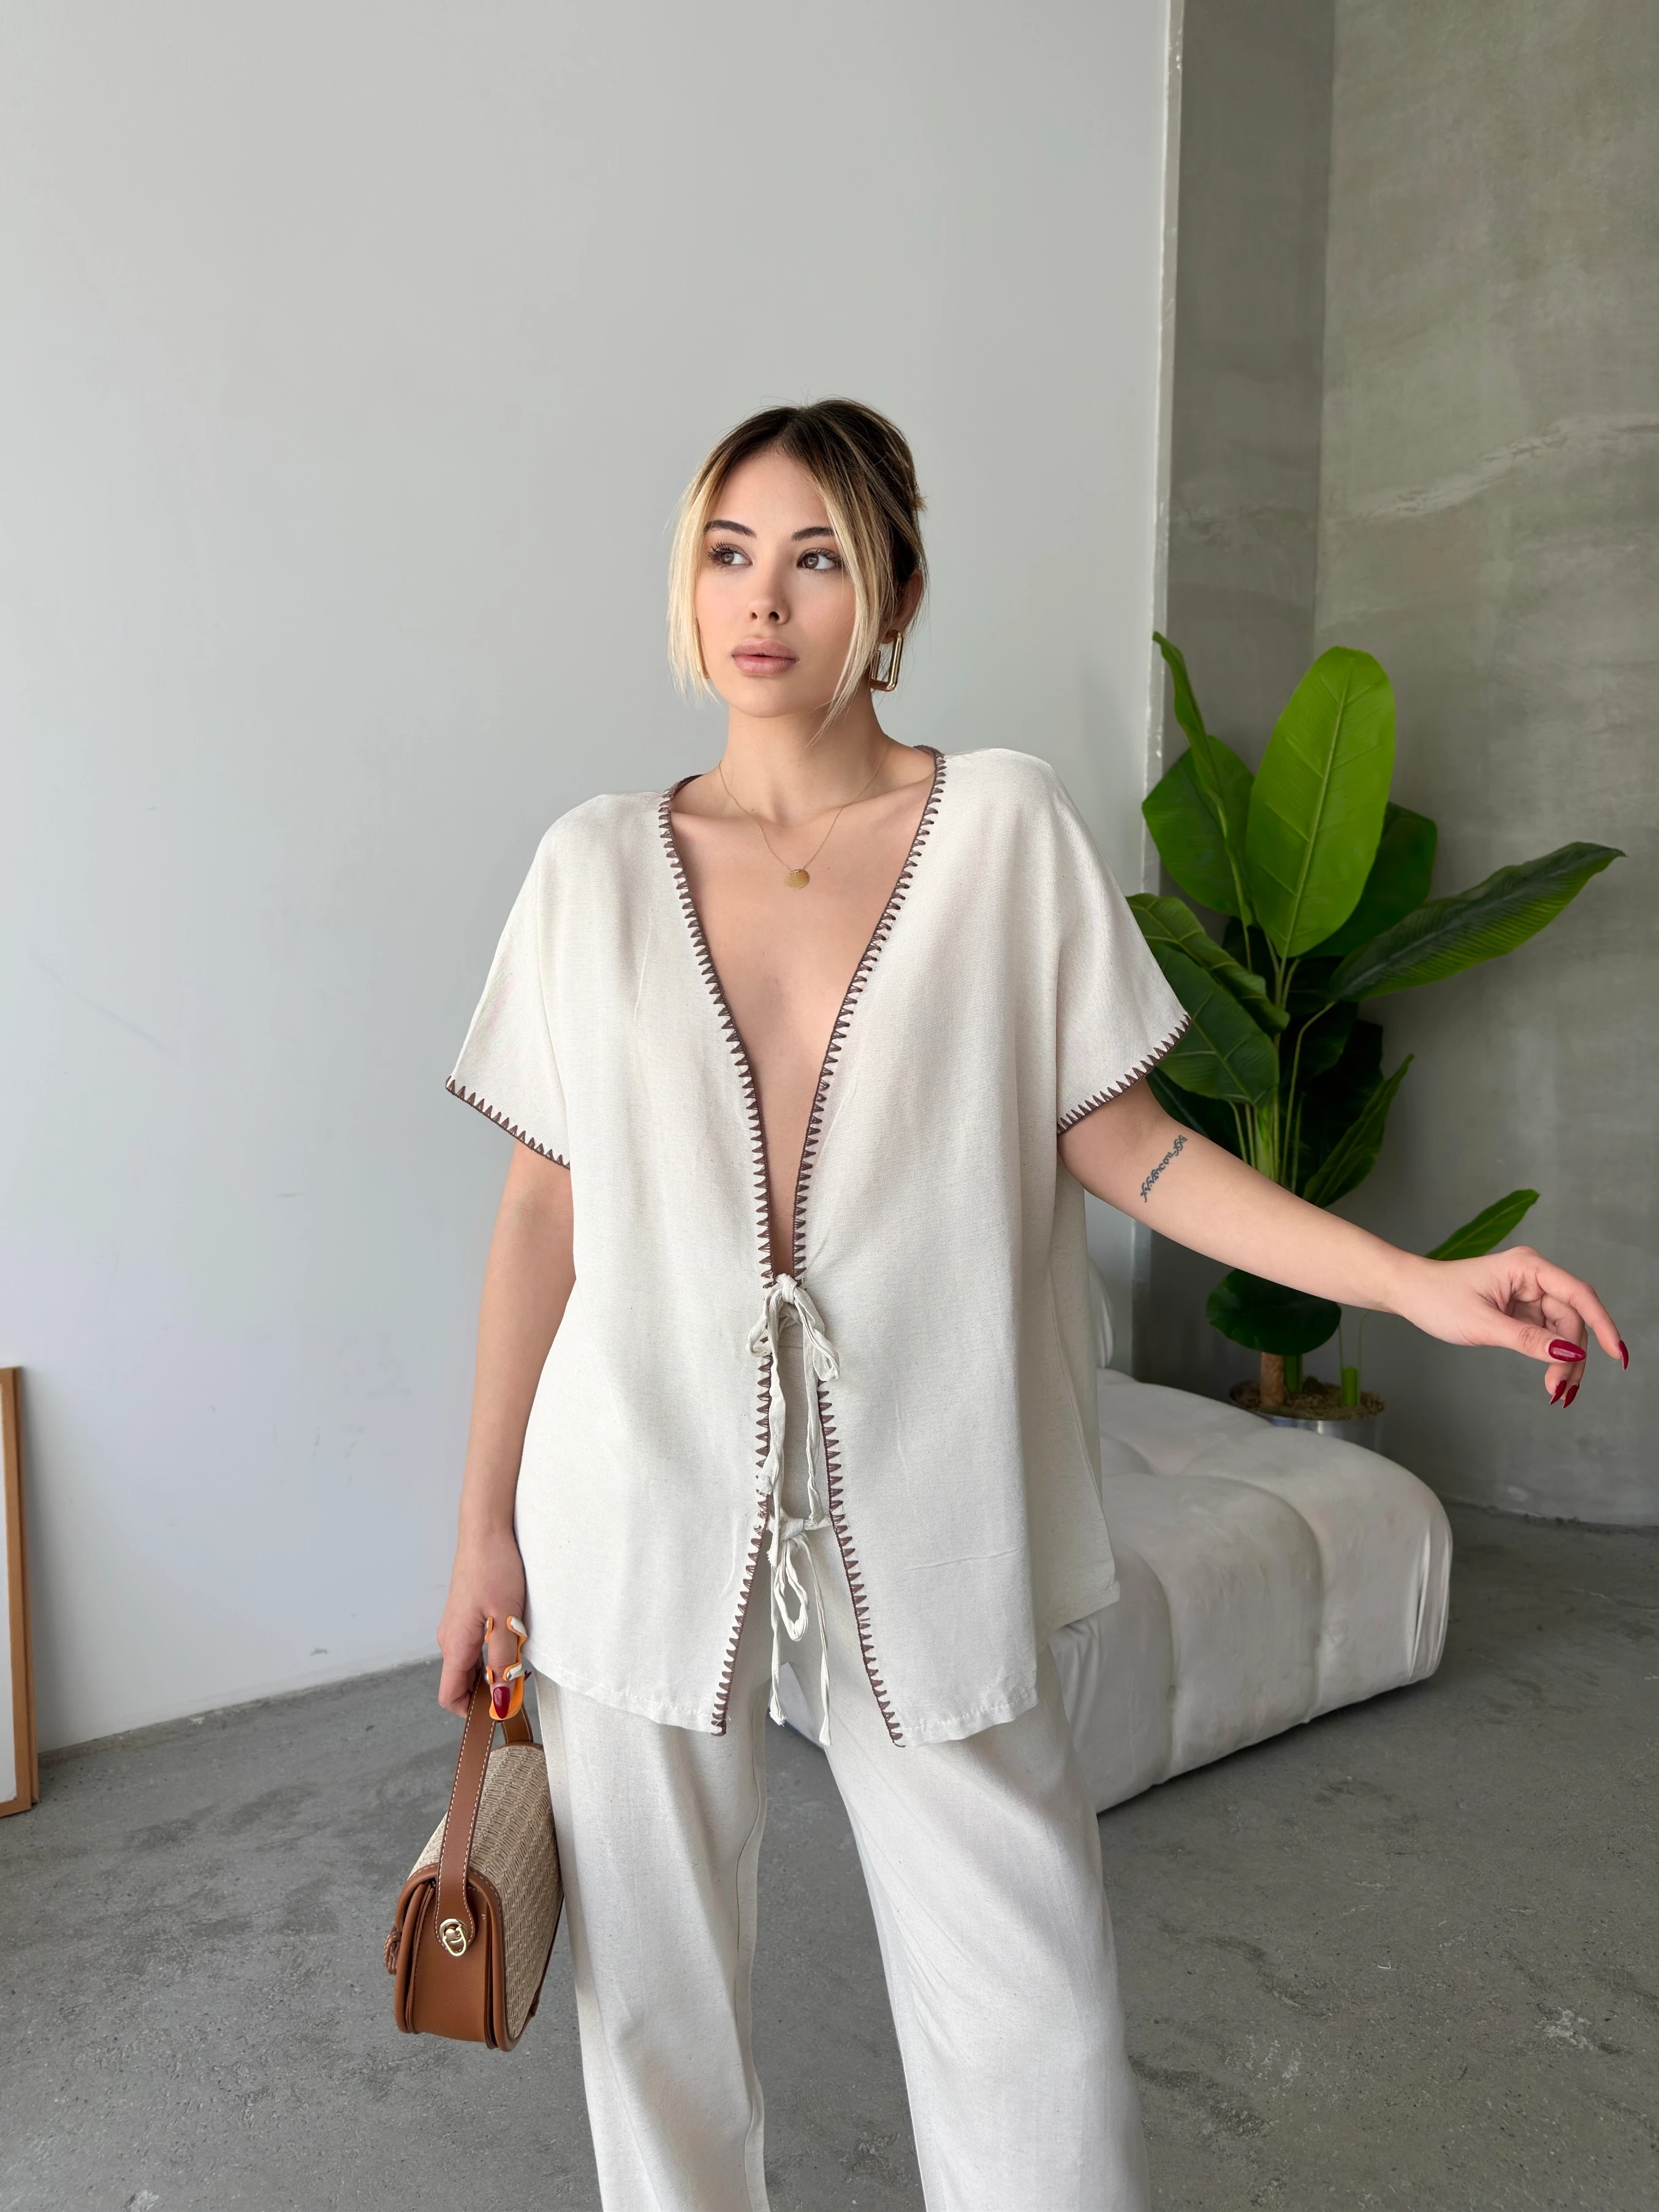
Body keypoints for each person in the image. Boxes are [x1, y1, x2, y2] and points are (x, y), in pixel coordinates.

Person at [435, 400, 1623, 2211]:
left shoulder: (1000, 832)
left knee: (1030, 2007)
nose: (764, 600)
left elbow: (1140, 1151)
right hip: (633, 1500)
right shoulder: (591, 866)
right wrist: (482, 1533)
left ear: (896, 596)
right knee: (653, 2014)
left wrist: (1417, 1285)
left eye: (818, 558)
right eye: (730, 554)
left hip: (929, 1502)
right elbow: (544, 1211)